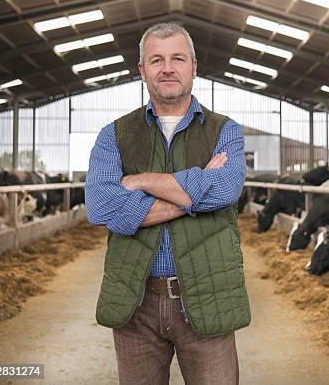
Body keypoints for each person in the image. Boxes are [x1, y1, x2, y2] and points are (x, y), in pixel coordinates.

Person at [85, 22, 251, 385]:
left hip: (209, 295)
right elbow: (101, 207)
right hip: (136, 299)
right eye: (156, 60)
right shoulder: (114, 134)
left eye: (178, 58)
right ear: (142, 70)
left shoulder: (225, 130)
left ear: (194, 65)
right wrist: (194, 193)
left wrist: (141, 182)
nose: (168, 68)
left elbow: (225, 192)